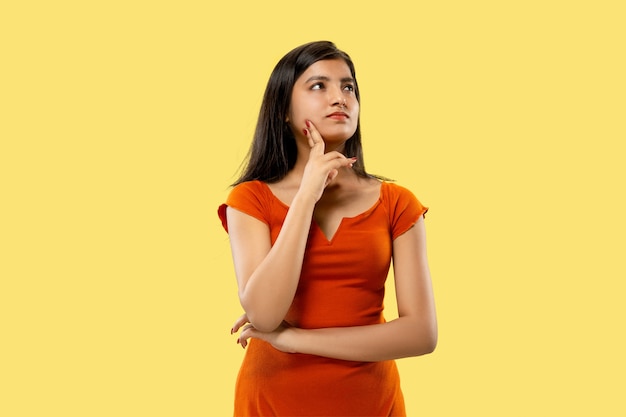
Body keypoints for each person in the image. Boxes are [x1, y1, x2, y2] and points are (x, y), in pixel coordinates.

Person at [217, 40, 437, 417]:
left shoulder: (397, 202)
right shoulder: (250, 199)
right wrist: (306, 197)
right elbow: (265, 314)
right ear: (284, 110)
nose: (340, 97)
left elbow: (421, 334)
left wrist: (293, 340)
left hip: (371, 403)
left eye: (348, 86)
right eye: (319, 86)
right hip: (272, 402)